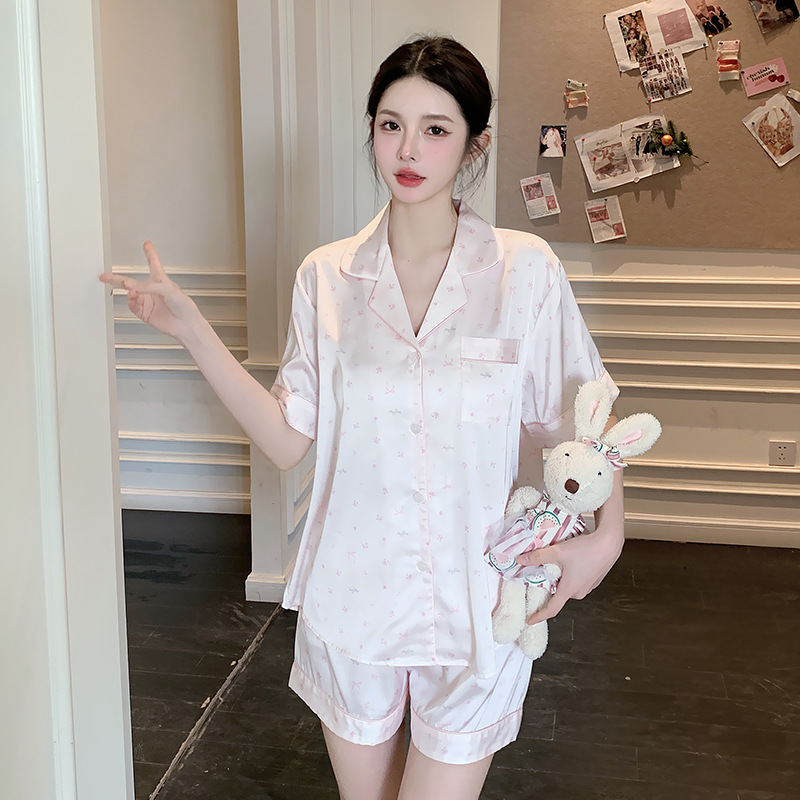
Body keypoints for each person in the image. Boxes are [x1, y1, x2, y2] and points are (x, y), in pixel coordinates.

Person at [101, 35, 625, 800]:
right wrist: (192, 330)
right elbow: (288, 440)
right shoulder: (328, 278)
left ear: (474, 144)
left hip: (481, 601)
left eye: (435, 129)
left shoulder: (524, 273)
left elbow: (586, 421)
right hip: (353, 600)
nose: (407, 149)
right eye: (390, 125)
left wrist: (608, 537)